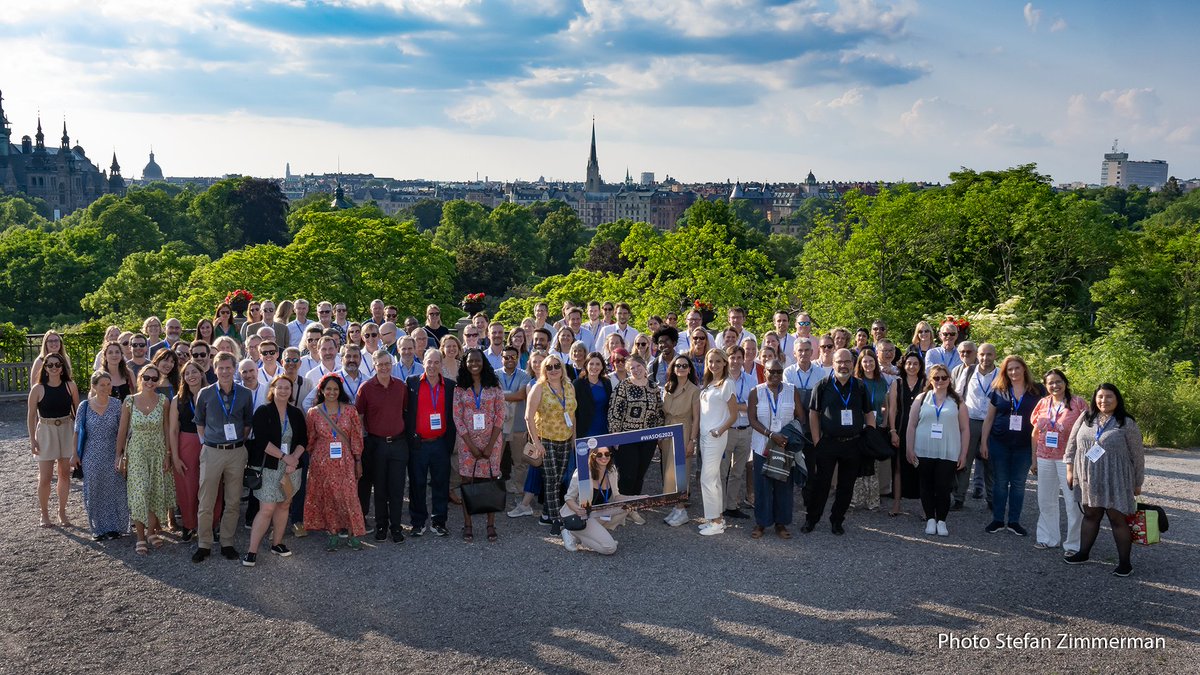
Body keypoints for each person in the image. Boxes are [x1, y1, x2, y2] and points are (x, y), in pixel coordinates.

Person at [1064, 384, 1145, 577]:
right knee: (1091, 515)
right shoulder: (1085, 418)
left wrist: (1138, 482)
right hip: (1088, 478)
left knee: (1118, 519)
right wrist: (1069, 470)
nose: (1104, 401)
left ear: (1117, 400)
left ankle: (1125, 563)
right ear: (1095, 398)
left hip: (1117, 479)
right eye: (1100, 396)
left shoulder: (1126, 423)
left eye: (1109, 397)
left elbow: (1138, 455)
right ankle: (1083, 553)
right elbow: (1072, 445)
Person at [803, 348, 876, 536]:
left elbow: (868, 413)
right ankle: (812, 519)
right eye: (839, 362)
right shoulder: (822, 385)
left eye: (847, 362)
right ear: (832, 363)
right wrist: (817, 440)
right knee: (821, 484)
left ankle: (837, 520)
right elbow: (813, 413)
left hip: (853, 444)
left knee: (846, 486)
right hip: (827, 443)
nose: (843, 365)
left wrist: (871, 436)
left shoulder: (860, 387)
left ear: (853, 363)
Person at [192, 352, 255, 563]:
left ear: (234, 369)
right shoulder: (205, 393)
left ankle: (227, 542)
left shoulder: (245, 394)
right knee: (206, 500)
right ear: (215, 368)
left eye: (229, 368)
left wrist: (238, 443)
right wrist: (206, 443)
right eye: (221, 368)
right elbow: (199, 421)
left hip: (236, 452)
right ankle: (204, 544)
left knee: (233, 500)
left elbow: (247, 423)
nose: (225, 371)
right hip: (212, 451)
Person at [241, 376, 307, 566]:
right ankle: (251, 551)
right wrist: (285, 457)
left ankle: (277, 543)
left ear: (291, 391)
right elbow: (261, 441)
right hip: (269, 467)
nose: (284, 391)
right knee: (267, 508)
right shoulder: (263, 411)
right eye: (280, 387)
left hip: (291, 468)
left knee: (284, 505)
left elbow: (303, 440)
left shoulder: (296, 413)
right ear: (273, 389)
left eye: (288, 387)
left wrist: (293, 458)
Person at [904, 364, 970, 537]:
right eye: (936, 378)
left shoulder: (957, 401)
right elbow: (911, 425)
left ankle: (941, 520)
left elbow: (965, 429)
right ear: (930, 380)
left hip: (948, 451)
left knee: (943, 487)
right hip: (923, 449)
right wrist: (909, 448)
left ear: (949, 379)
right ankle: (930, 519)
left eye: (944, 377)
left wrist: (963, 453)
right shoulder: (921, 398)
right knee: (925, 486)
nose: (940, 381)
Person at [980, 355, 1043, 535]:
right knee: (1000, 483)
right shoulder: (999, 390)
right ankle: (998, 520)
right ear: (1005, 372)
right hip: (999, 443)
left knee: (1018, 483)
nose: (1013, 372)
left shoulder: (1037, 391)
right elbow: (989, 418)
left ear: (1024, 369)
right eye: (1009, 369)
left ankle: (1014, 521)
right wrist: (984, 442)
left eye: (1016, 368)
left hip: (1024, 445)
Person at [304, 374, 367, 551]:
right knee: (329, 497)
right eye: (328, 389)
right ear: (322, 391)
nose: (332, 392)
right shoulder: (313, 412)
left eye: (335, 389)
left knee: (349, 496)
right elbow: (311, 438)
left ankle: (353, 534)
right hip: (322, 462)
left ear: (340, 391)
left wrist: (358, 459)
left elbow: (356, 436)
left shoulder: (349, 410)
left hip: (345, 460)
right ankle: (332, 534)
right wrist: (314, 458)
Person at [115, 365, 173, 555]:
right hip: (137, 451)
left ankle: (150, 532)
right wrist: (119, 455)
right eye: (146, 377)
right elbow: (122, 431)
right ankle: (139, 536)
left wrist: (167, 454)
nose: (150, 382)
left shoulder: (164, 401)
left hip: (157, 450)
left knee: (155, 490)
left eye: (154, 379)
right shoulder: (129, 401)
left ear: (159, 381)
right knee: (140, 491)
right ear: (140, 378)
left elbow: (167, 429)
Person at [1031, 369, 1087, 555]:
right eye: (1050, 383)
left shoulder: (1078, 403)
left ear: (1065, 382)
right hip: (1044, 456)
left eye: (1058, 381)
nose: (1055, 385)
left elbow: (1088, 431)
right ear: (1046, 386)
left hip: (1069, 459)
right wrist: (1034, 459)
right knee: (1046, 499)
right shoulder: (1043, 403)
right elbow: (1035, 433)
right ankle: (1048, 538)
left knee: (1072, 502)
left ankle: (1073, 544)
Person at [355, 349, 409, 543]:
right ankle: (381, 526)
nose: (385, 367)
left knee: (396, 488)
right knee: (379, 489)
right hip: (376, 444)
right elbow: (359, 417)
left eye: (388, 364)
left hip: (398, 443)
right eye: (381, 364)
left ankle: (396, 527)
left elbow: (404, 411)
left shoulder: (401, 386)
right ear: (374, 366)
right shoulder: (366, 388)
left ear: (391, 365)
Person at [453, 349, 506, 542]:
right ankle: (468, 525)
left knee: (490, 481)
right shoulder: (460, 388)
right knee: (468, 483)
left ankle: (490, 525)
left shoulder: (494, 386)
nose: (474, 364)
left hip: (492, 442)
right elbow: (457, 418)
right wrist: (472, 446)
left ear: (483, 362)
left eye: (477, 360)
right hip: (468, 444)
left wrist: (490, 445)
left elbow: (500, 415)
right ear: (465, 363)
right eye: (470, 361)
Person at [404, 349, 457, 537]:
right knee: (417, 483)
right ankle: (418, 522)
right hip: (418, 443)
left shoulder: (450, 386)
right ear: (423, 362)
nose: (432, 366)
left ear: (441, 364)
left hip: (440, 443)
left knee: (440, 483)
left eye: (436, 362)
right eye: (429, 362)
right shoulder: (412, 382)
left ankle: (439, 521)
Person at [747, 359, 802, 538]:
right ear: (765, 372)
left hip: (784, 446)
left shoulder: (792, 390)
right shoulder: (756, 392)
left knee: (784, 486)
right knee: (762, 486)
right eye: (772, 371)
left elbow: (801, 416)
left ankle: (781, 524)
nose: (776, 375)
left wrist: (787, 435)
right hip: (762, 446)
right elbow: (752, 419)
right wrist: (770, 434)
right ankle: (761, 523)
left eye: (779, 371)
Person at [524, 353, 577, 535]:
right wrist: (536, 442)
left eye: (556, 366)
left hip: (565, 438)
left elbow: (572, 414)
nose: (553, 370)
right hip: (546, 439)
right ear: (543, 370)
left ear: (562, 368)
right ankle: (556, 519)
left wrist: (574, 438)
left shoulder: (569, 386)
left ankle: (546, 514)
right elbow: (528, 416)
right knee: (552, 478)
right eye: (549, 367)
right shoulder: (539, 387)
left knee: (559, 478)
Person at [27, 353, 80, 527]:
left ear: (63, 366)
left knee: (65, 474)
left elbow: (78, 413)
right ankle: (44, 514)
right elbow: (31, 416)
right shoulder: (37, 389)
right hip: (45, 431)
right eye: (50, 365)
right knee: (45, 477)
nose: (54, 367)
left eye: (58, 364)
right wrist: (32, 439)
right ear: (45, 368)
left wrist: (78, 437)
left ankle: (62, 512)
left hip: (66, 429)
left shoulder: (70, 386)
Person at [606, 355, 663, 516]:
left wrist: (659, 432)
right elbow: (614, 412)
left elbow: (659, 411)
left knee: (640, 473)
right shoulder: (623, 386)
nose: (636, 370)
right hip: (627, 437)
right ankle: (621, 508)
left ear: (645, 367)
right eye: (632, 368)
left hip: (648, 439)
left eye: (638, 366)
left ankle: (633, 506)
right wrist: (615, 435)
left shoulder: (654, 387)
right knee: (627, 474)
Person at [76, 371, 129, 540]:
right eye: (102, 384)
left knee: (114, 490)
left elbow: (123, 431)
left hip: (112, 451)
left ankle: (114, 527)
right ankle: (97, 528)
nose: (106, 387)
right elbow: (77, 432)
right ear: (94, 386)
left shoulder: (117, 404)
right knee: (94, 490)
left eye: (108, 384)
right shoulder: (84, 406)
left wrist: (120, 454)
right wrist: (74, 455)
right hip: (90, 454)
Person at [560, 446, 636, 555]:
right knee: (610, 548)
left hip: (598, 512)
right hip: (581, 515)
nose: (604, 457)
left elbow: (617, 497)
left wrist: (637, 498)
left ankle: (589, 535)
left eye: (607, 454)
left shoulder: (611, 470)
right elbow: (568, 498)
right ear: (592, 456)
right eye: (599, 455)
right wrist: (577, 510)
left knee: (628, 506)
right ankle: (572, 531)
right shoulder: (583, 472)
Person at [696, 348, 738, 536]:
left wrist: (719, 430)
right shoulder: (709, 383)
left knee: (707, 478)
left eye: (718, 361)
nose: (714, 365)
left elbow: (734, 414)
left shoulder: (727, 384)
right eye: (710, 361)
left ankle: (716, 522)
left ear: (724, 363)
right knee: (713, 479)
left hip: (716, 437)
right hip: (704, 436)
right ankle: (716, 517)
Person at [952, 342, 997, 510]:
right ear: (977, 356)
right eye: (982, 355)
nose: (985, 358)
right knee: (964, 461)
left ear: (995, 356)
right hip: (970, 421)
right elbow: (958, 394)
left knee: (990, 463)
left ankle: (992, 499)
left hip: (992, 422)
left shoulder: (1000, 375)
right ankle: (958, 498)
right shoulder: (969, 371)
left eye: (989, 354)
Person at [169, 361, 209, 542]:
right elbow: (173, 430)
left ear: (202, 374)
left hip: (210, 443)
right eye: (187, 373)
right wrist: (175, 457)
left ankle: (210, 525)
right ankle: (188, 524)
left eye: (195, 372)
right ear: (183, 378)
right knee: (187, 486)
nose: (191, 376)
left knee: (210, 485)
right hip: (186, 443)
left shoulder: (212, 394)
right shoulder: (177, 399)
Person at [660, 354, 700, 527]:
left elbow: (696, 418)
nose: (681, 368)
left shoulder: (694, 390)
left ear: (690, 369)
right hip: (668, 431)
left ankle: (682, 508)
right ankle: (676, 508)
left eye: (684, 366)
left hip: (683, 431)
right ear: (673, 369)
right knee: (669, 472)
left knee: (681, 471)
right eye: (678, 366)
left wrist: (692, 440)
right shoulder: (668, 387)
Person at [851, 349, 890, 512]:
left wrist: (885, 422)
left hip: (876, 426)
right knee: (857, 463)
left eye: (871, 361)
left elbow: (886, 404)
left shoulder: (882, 381)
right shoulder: (856, 381)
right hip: (859, 427)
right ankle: (855, 499)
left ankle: (872, 499)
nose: (868, 364)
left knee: (873, 464)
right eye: (865, 361)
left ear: (875, 362)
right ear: (860, 364)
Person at [886, 352, 925, 516]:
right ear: (904, 365)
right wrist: (893, 431)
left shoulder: (926, 383)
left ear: (920, 366)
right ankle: (896, 504)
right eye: (909, 363)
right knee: (898, 467)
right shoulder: (897, 383)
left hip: (921, 430)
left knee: (923, 468)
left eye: (915, 363)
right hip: (901, 428)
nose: (912, 366)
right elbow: (893, 409)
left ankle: (926, 506)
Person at [721, 346, 755, 519]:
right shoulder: (720, 379)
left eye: (738, 357)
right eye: (732, 357)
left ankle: (731, 506)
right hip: (727, 431)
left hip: (745, 431)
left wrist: (734, 406)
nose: (735, 361)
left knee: (738, 471)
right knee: (722, 471)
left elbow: (753, 406)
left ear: (743, 359)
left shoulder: (751, 380)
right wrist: (742, 406)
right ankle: (718, 507)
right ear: (727, 359)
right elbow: (719, 405)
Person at [573, 351, 612, 441]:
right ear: (586, 365)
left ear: (602, 367)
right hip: (585, 430)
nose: (594, 367)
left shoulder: (606, 382)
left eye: (598, 364)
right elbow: (574, 411)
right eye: (591, 364)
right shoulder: (578, 384)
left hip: (603, 428)